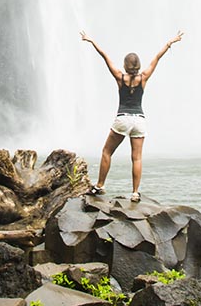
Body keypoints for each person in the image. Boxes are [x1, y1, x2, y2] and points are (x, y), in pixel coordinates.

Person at [79, 29, 184, 202]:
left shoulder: (120, 78)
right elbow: (157, 57)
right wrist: (170, 42)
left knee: (107, 152)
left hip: (123, 119)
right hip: (140, 120)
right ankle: (135, 193)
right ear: (138, 65)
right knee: (137, 157)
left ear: (125, 65)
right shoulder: (144, 78)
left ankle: (100, 185)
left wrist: (91, 41)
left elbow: (105, 56)